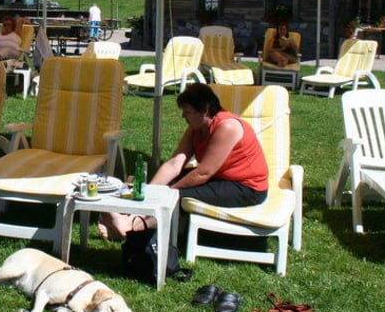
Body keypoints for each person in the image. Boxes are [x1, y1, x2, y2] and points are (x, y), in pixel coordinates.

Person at [99, 83, 268, 239]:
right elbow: (174, 163)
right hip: (220, 178)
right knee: (169, 183)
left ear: (206, 109)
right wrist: (150, 191)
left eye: (187, 111)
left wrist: (169, 192)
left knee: (177, 196)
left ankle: (131, 229)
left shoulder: (227, 127)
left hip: (246, 187)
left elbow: (203, 172)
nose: (183, 116)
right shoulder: (197, 128)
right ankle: (132, 219)